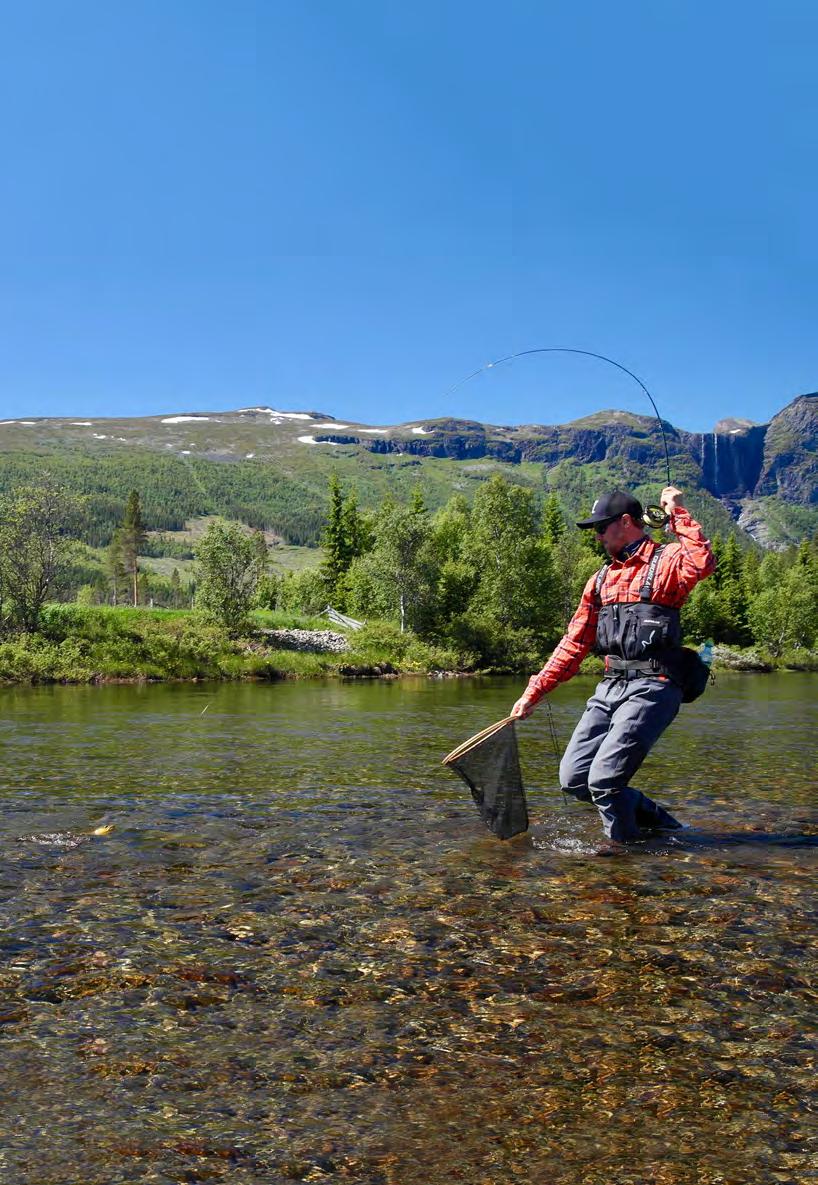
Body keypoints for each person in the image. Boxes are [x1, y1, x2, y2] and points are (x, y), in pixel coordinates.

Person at [511, 486, 715, 846]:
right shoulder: (600, 580)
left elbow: (701, 563)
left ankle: (621, 859)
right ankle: (661, 826)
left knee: (604, 781)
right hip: (609, 688)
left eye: (601, 527)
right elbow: (573, 644)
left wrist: (676, 512)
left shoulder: (667, 562)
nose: (597, 535)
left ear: (625, 523)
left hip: (654, 686)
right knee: (574, 779)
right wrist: (534, 693)